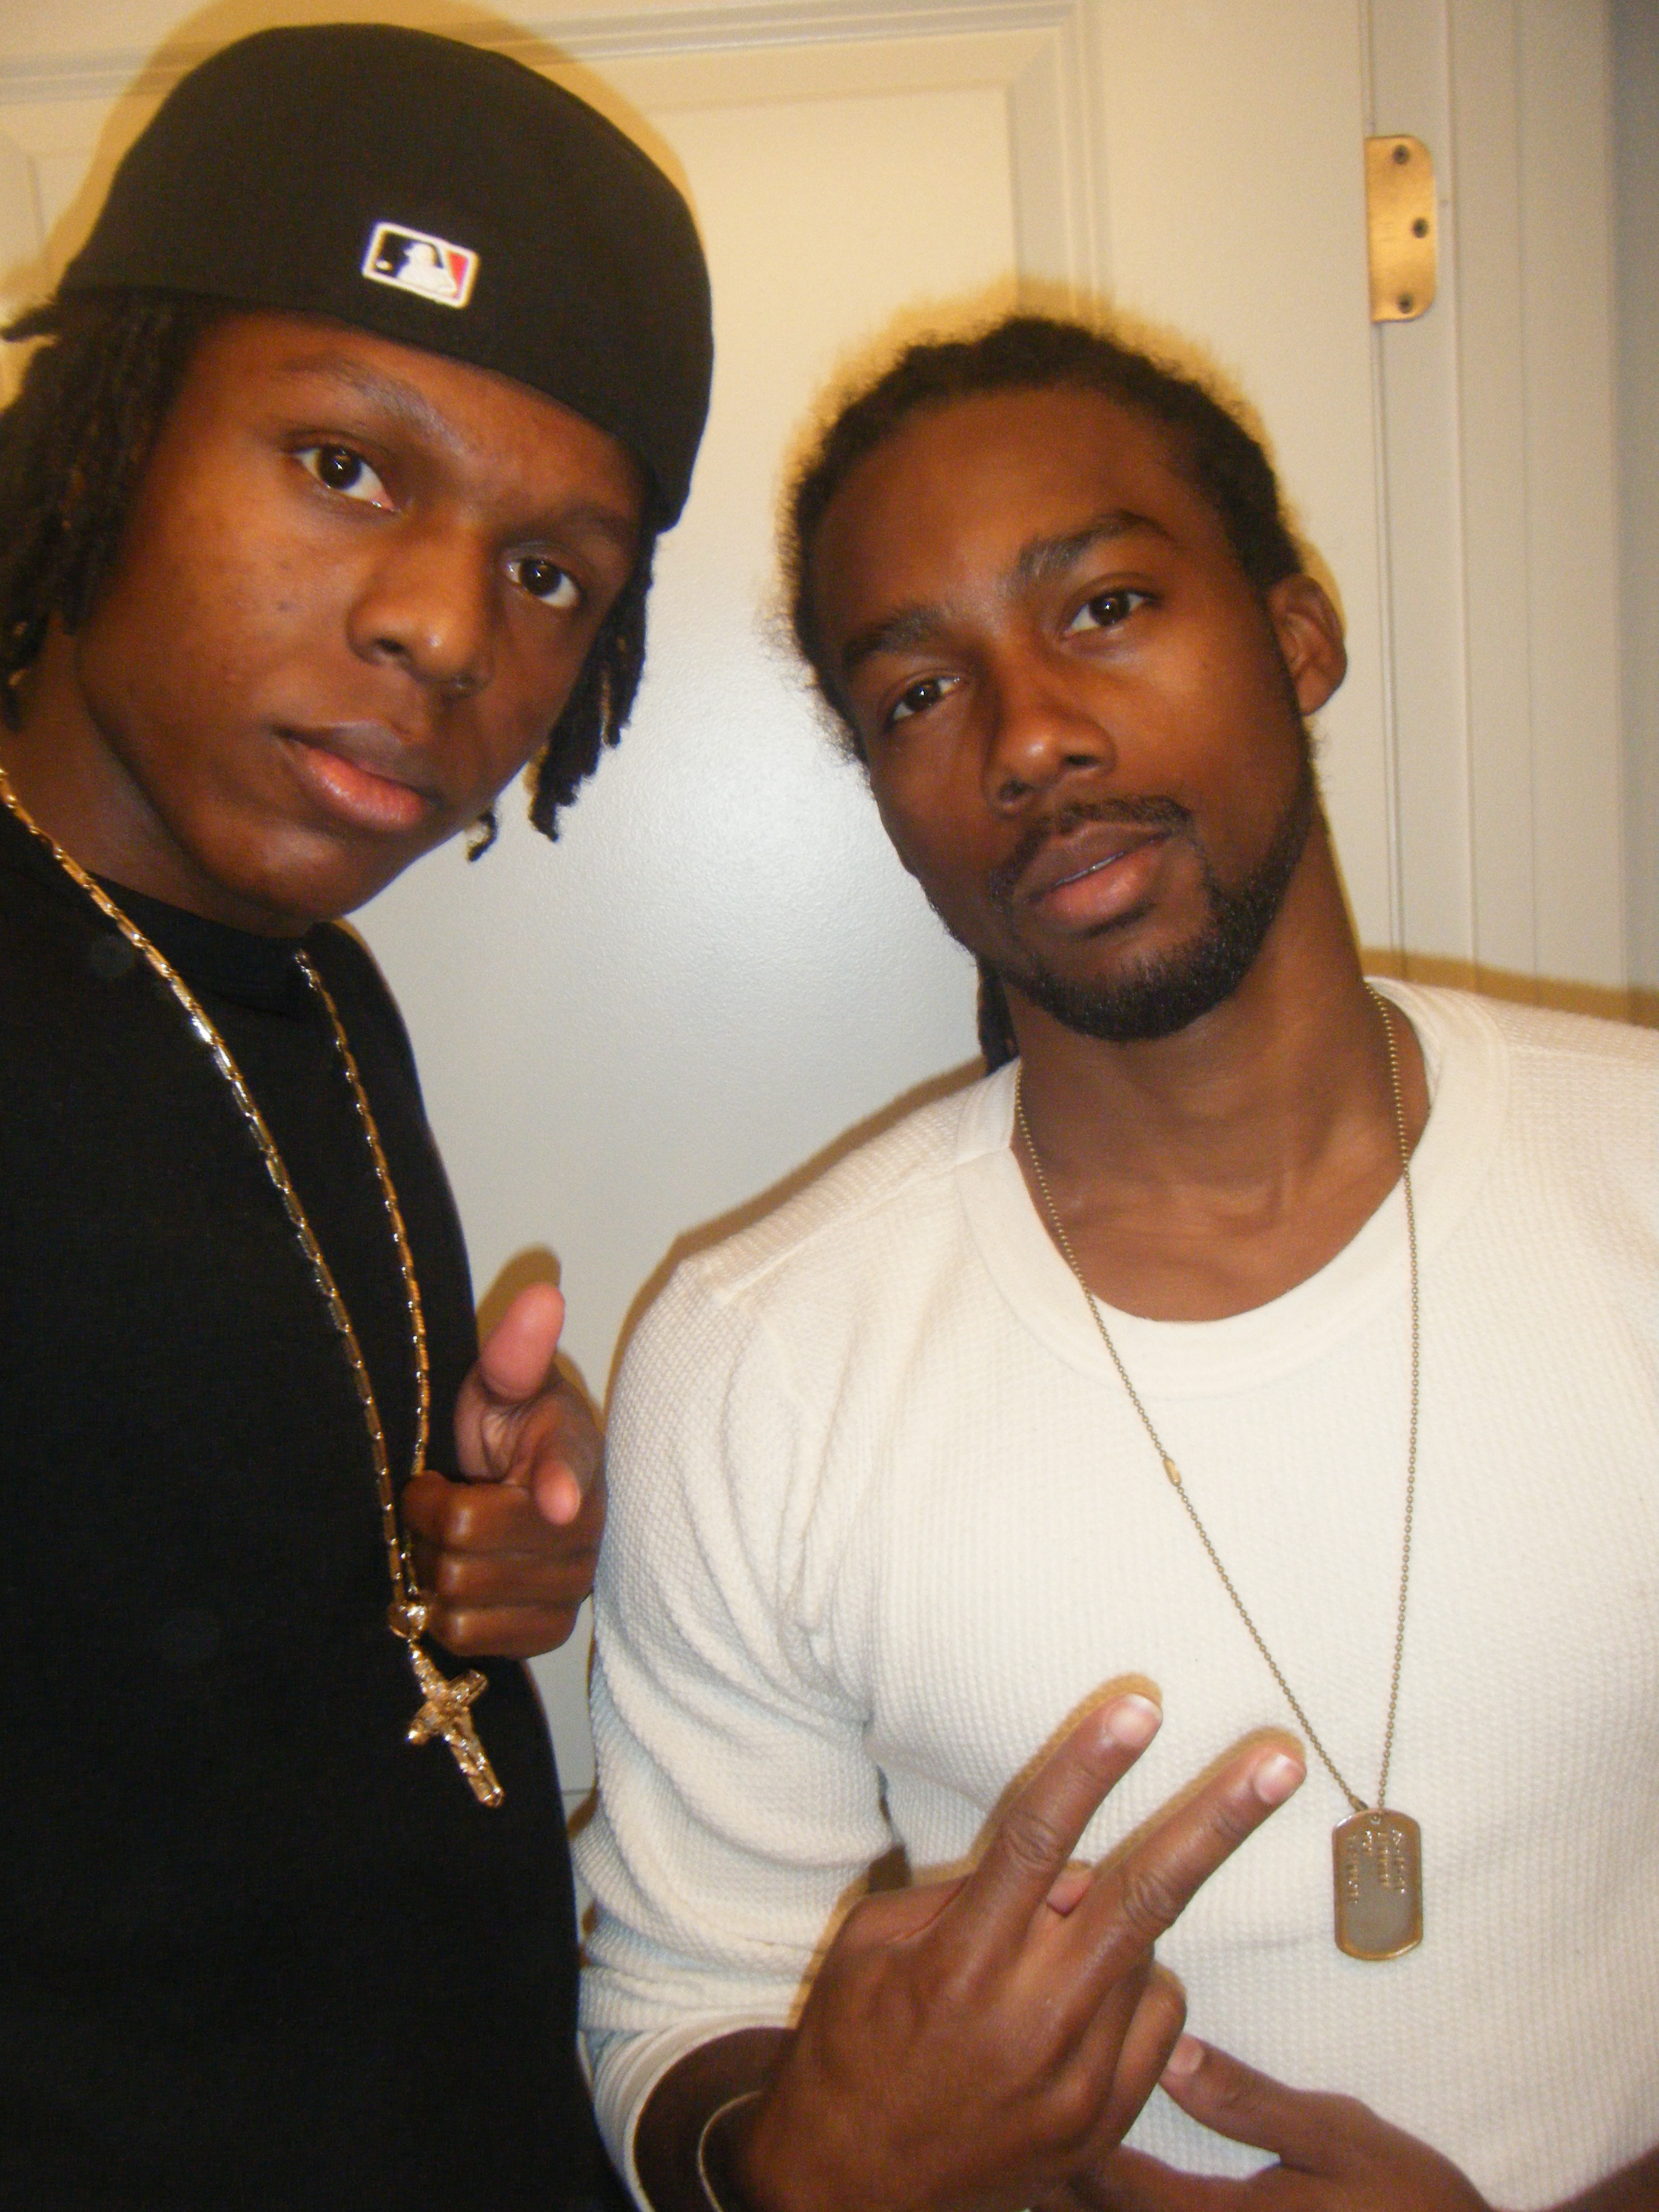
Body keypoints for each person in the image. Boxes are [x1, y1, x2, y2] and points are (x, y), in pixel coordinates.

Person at [576, 317, 1659, 2212]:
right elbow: (682, 1995)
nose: (1029, 741)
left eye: (1105, 608)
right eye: (918, 694)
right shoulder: (759, 1360)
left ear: (1297, 636)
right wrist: (808, 2163)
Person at [0, 22, 711, 2207]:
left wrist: (486, 1515)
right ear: (110, 432)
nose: (442, 630)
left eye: (552, 570)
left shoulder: (313, 987)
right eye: (344, 464)